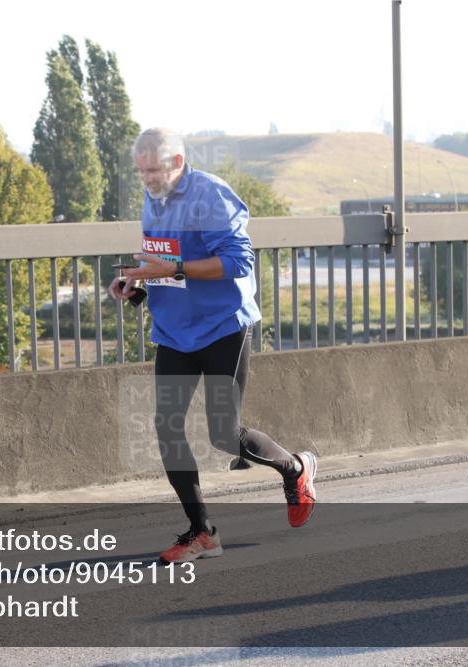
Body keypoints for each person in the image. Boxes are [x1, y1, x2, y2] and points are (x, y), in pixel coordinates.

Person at [109, 128, 317, 564]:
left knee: (224, 434)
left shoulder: (211, 196)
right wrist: (137, 285)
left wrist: (176, 266)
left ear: (178, 163)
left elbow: (240, 261)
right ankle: (202, 533)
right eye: (141, 171)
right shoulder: (155, 198)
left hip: (223, 327)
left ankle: (296, 469)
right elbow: (165, 263)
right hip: (174, 330)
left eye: (154, 170)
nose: (147, 179)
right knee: (167, 426)